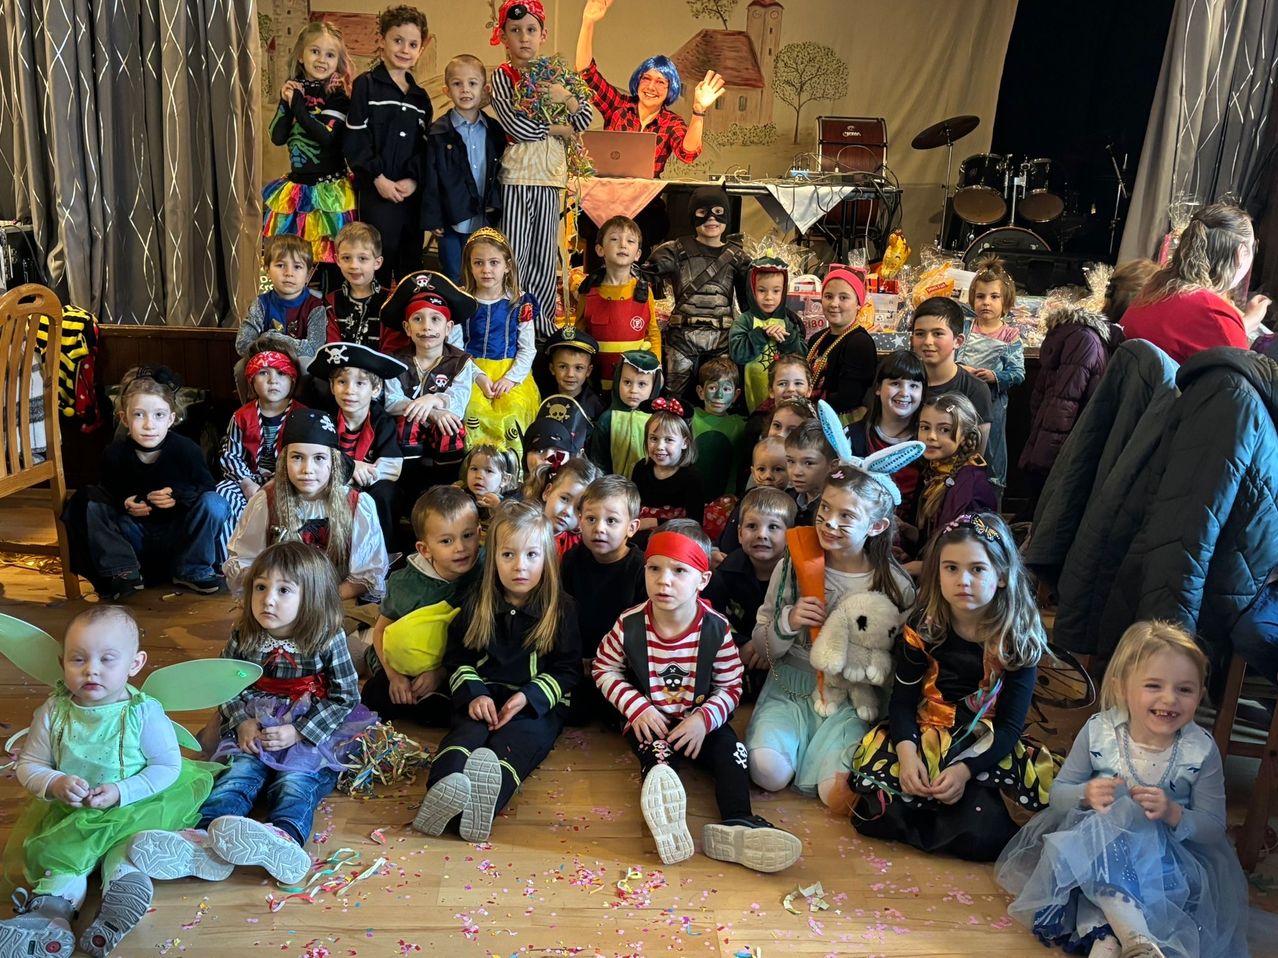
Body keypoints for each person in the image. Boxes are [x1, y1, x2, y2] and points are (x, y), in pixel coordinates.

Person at [996, 621, 1249, 958]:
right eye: (1153, 685)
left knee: (1109, 875)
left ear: (1200, 694)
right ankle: (1133, 940)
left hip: (1166, 865)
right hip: (1094, 852)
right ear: (1122, 687)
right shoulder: (1100, 732)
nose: (1169, 699)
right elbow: (1058, 796)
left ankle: (1114, 941)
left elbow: (1213, 828)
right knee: (1111, 823)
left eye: (1185, 690)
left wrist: (1174, 813)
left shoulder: (1199, 750)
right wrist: (1086, 794)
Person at [132, 543, 370, 889]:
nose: (267, 599)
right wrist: (241, 721)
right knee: (238, 773)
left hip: (305, 725)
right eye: (261, 587)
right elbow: (225, 685)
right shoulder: (245, 634)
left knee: (296, 782)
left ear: (313, 598)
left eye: (283, 590)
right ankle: (203, 839)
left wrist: (299, 732)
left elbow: (345, 695)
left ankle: (283, 839)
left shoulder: (326, 636)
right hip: (254, 721)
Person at [0, 607, 214, 956]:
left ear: (134, 663)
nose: (91, 669)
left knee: (127, 851)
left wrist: (121, 791)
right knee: (62, 859)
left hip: (133, 807)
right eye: (78, 659)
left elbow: (165, 766)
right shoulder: (54, 711)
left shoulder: (143, 712)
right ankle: (50, 916)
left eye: (107, 659)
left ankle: (119, 903)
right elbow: (31, 764)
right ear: (61, 662)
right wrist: (54, 782)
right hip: (72, 815)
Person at [592, 521, 803, 872]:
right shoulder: (629, 624)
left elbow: (732, 686)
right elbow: (603, 668)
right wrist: (637, 707)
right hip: (653, 718)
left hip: (700, 717)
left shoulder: (716, 628)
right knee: (658, 762)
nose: (664, 580)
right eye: (654, 568)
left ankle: (739, 824)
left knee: (732, 753)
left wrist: (703, 720)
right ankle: (669, 824)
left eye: (678, 571)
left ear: (702, 580)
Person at [849, 512, 1058, 861]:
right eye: (951, 568)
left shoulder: (1018, 637)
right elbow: (902, 703)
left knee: (983, 835)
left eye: (977, 569)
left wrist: (964, 770)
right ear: (937, 572)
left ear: (1002, 575)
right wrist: (908, 753)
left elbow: (1008, 727)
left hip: (984, 741)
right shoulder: (923, 625)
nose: (963, 580)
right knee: (878, 811)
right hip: (924, 728)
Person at [743, 461, 916, 810]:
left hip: (851, 699)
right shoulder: (792, 564)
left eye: (847, 516)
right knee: (767, 773)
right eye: (825, 508)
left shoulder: (895, 587)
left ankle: (829, 751)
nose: (829, 523)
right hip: (792, 686)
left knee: (837, 796)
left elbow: (897, 667)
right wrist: (787, 623)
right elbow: (764, 649)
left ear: (877, 526)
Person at [412, 501, 581, 841]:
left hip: (533, 703)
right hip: (485, 694)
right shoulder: (477, 601)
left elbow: (568, 669)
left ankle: (482, 804)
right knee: (464, 736)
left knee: (516, 744)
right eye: (508, 555)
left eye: (532, 555)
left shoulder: (561, 607)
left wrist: (529, 697)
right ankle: (442, 791)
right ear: (494, 559)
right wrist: (474, 695)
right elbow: (456, 658)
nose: (521, 566)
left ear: (547, 558)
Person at [573, 0, 724, 261]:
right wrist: (588, 22)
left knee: (651, 223)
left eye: (661, 82)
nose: (652, 86)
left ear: (670, 89)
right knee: (589, 225)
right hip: (604, 201)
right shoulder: (618, 107)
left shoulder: (671, 122)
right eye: (646, 78)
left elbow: (688, 153)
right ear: (637, 81)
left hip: (642, 206)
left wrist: (698, 111)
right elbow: (586, 74)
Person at [64, 366, 229, 599]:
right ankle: (123, 570)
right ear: (124, 418)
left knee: (215, 503)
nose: (149, 425)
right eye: (139, 414)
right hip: (135, 537)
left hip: (178, 535)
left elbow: (206, 487)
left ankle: (192, 569)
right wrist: (125, 503)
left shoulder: (186, 450)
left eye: (158, 415)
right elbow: (107, 492)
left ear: (171, 419)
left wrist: (178, 496)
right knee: (87, 501)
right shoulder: (115, 453)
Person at [488, 0, 593, 336]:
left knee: (546, 258)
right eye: (515, 31)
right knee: (515, 254)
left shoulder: (560, 77)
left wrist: (567, 98)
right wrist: (557, 129)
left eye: (531, 30)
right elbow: (516, 127)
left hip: (551, 180)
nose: (524, 38)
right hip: (518, 178)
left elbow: (585, 119)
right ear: (503, 36)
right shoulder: (504, 77)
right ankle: (510, 321)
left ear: (543, 35)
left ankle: (542, 325)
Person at [224, 408, 388, 604]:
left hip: (335, 602)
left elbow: (367, 575)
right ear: (284, 461)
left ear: (333, 461)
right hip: (279, 603)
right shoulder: (266, 502)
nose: (307, 469)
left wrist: (316, 601)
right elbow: (245, 561)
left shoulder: (357, 505)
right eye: (297, 457)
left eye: (319, 458)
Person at [361, 487, 483, 727]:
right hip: (407, 664)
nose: (461, 547)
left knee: (469, 700)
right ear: (424, 550)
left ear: (480, 532)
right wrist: (395, 677)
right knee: (375, 695)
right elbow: (380, 631)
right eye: (447, 541)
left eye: (468, 535)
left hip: (455, 664)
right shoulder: (407, 585)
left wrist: (440, 673)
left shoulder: (485, 566)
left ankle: (435, 701)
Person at [343, 5, 431, 285]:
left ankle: (408, 325)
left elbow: (424, 148)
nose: (405, 49)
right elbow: (355, 140)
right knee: (376, 263)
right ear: (381, 40)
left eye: (413, 44)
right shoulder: (365, 86)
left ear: (421, 49)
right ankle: (374, 325)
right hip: (376, 193)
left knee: (411, 266)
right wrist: (377, 178)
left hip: (409, 198)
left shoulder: (421, 98)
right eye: (398, 40)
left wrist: (414, 181)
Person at [262, 21, 356, 278]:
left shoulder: (337, 96)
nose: (322, 60)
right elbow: (278, 137)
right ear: (301, 57)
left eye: (330, 55)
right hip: (297, 191)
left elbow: (326, 136)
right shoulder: (293, 91)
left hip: (331, 192)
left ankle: (329, 312)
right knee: (295, 259)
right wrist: (285, 100)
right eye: (315, 51)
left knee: (329, 259)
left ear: (338, 61)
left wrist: (298, 105)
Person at [1122, 202, 1271, 363]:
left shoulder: (1156, 287)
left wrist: (1243, 324)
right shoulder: (1214, 315)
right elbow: (1238, 380)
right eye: (1253, 246)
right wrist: (1238, 326)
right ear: (1241, 254)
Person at [1018, 303, 1124, 520]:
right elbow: (1065, 402)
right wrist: (1046, 458)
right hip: (1064, 449)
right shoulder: (1085, 341)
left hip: (1055, 444)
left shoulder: (1072, 336)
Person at [645, 186, 751, 399]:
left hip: (722, 338)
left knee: (721, 397)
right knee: (673, 399)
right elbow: (643, 276)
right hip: (682, 336)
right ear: (693, 215)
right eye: (703, 213)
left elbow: (750, 302)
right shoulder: (674, 251)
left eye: (718, 212)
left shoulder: (738, 258)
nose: (711, 219)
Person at [379, 270, 479, 491]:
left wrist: (434, 399)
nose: (426, 327)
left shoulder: (460, 362)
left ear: (448, 328)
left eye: (435, 319)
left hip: (442, 425)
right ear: (407, 328)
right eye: (417, 319)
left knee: (451, 427)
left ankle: (446, 490)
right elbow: (392, 401)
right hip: (410, 427)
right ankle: (408, 490)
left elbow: (459, 400)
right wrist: (431, 410)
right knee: (407, 424)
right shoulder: (396, 362)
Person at [561, 476, 646, 726]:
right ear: (580, 521)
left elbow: (641, 630)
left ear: (631, 528)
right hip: (580, 661)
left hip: (622, 665)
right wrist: (579, 657)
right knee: (573, 714)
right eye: (591, 519)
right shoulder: (572, 561)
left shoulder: (640, 568)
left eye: (611, 521)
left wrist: (609, 663)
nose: (599, 528)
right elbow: (564, 616)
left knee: (616, 716)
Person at [307, 342, 406, 545]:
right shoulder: (324, 419)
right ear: (332, 387)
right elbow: (315, 456)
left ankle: (384, 553)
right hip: (333, 482)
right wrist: (349, 467)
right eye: (342, 382)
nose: (349, 391)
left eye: (360, 384)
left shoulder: (383, 421)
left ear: (376, 389)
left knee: (387, 493)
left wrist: (357, 474)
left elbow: (392, 467)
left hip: (371, 486)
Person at [704, 486, 796, 703]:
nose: (761, 534)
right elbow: (713, 617)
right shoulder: (726, 572)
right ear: (739, 534)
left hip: (783, 652)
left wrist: (771, 647)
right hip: (741, 651)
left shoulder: (797, 574)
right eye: (752, 526)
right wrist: (740, 645)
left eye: (773, 527)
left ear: (790, 535)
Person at [421, 54, 506, 284]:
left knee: (482, 274)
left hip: (484, 217)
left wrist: (496, 202)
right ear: (447, 90)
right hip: (451, 218)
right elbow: (431, 177)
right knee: (453, 273)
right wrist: (434, 217)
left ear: (485, 89)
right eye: (457, 84)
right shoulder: (438, 133)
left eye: (472, 83)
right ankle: (455, 319)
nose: (465, 90)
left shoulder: (494, 131)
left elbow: (501, 171)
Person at [216, 334, 305, 550]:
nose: (273, 380)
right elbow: (231, 455)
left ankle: (283, 556)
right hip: (248, 478)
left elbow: (303, 457)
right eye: (263, 373)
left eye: (281, 373)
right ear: (251, 379)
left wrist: (276, 483)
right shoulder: (241, 416)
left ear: (292, 379)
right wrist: (246, 482)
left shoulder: (302, 416)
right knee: (225, 494)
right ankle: (233, 555)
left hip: (287, 481)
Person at [459, 227, 542, 456]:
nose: (486, 270)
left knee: (513, 412)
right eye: (479, 263)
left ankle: (509, 471)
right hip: (470, 370)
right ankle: (474, 470)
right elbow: (455, 348)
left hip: (510, 372)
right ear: (470, 266)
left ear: (507, 266)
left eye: (494, 263)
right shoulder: (462, 301)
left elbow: (527, 349)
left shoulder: (519, 302)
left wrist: (510, 378)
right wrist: (477, 376)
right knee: (473, 410)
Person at [573, 215, 662, 390]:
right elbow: (579, 333)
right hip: (596, 384)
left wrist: (656, 369)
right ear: (599, 250)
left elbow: (653, 333)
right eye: (614, 239)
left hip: (633, 388)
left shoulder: (643, 291)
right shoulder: (589, 291)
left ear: (637, 254)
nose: (622, 245)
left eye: (630, 241)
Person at [960, 257, 1025, 487]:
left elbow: (1018, 372)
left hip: (992, 403)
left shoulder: (1010, 335)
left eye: (994, 297)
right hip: (961, 398)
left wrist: (995, 376)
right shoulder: (965, 328)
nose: (986, 302)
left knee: (990, 451)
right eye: (980, 296)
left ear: (1006, 303)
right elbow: (950, 354)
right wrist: (960, 369)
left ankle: (989, 497)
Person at [236, 235, 329, 386]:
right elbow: (242, 344)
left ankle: (301, 408)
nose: (288, 273)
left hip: (299, 362)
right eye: (280, 265)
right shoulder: (261, 303)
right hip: (266, 361)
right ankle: (252, 408)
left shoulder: (316, 307)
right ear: (267, 269)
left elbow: (314, 349)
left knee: (307, 365)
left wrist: (271, 338)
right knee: (241, 367)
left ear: (309, 274)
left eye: (297, 267)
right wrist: (270, 354)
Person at [847, 350, 926, 524]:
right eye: (895, 383)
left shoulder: (928, 443)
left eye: (914, 386)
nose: (905, 393)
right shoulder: (852, 437)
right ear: (877, 388)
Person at [913, 394, 997, 551]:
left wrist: (922, 567)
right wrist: (908, 531)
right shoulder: (935, 471)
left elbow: (970, 551)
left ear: (965, 436)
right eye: (925, 427)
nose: (931, 436)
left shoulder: (971, 486)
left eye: (944, 430)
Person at [910, 296, 992, 451]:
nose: (928, 341)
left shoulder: (975, 389)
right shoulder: (904, 383)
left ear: (958, 341)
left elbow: (977, 454)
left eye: (938, 333)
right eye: (920, 333)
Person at [730, 254, 807, 412]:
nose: (769, 297)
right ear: (751, 290)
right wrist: (761, 335)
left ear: (783, 291)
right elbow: (737, 353)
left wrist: (788, 338)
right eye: (762, 291)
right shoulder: (744, 321)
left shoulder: (790, 321)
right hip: (748, 400)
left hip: (785, 397)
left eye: (776, 291)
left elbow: (802, 357)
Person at [806, 266, 877, 415]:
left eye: (843, 297)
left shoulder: (859, 343)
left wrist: (806, 403)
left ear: (859, 303)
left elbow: (848, 399)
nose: (833, 304)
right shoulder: (816, 339)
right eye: (828, 296)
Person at [325, 223, 397, 353]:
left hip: (379, 370)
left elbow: (393, 349)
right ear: (337, 260)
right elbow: (332, 346)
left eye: (362, 258)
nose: (354, 265)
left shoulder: (391, 302)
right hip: (341, 369)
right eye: (346, 258)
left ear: (377, 263)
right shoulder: (331, 302)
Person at [590, 349, 663, 477]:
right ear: (618, 380)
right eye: (627, 382)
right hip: (613, 491)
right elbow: (598, 461)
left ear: (654, 386)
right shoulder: (607, 419)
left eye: (642, 384)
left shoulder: (658, 420)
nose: (633, 390)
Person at [632, 405, 704, 530]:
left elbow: (694, 522)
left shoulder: (692, 478)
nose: (660, 446)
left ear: (684, 443)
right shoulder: (641, 468)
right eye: (654, 438)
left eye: (669, 440)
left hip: (676, 531)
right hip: (640, 527)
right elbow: (632, 505)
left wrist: (652, 522)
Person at [690, 356, 746, 499]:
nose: (719, 395)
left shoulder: (741, 425)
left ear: (735, 395)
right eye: (713, 387)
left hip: (725, 501)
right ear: (701, 392)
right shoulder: (689, 418)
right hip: (689, 496)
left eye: (726, 389)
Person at [529, 455, 603, 556]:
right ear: (547, 492)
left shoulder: (579, 546)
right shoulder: (522, 530)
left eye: (579, 508)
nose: (567, 511)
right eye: (564, 499)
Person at [537, 324, 605, 423]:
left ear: (588, 371)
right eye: (563, 366)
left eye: (578, 368)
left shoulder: (596, 408)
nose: (570, 374)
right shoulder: (540, 400)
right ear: (552, 368)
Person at [461, 442, 521, 539]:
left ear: (505, 479)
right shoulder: (463, 494)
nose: (479, 476)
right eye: (474, 468)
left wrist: (499, 508)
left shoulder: (512, 503)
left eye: (488, 471)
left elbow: (518, 531)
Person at [783, 418, 835, 526]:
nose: (796, 472)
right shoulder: (785, 499)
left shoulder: (835, 509)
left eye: (808, 463)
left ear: (833, 466)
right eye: (791, 461)